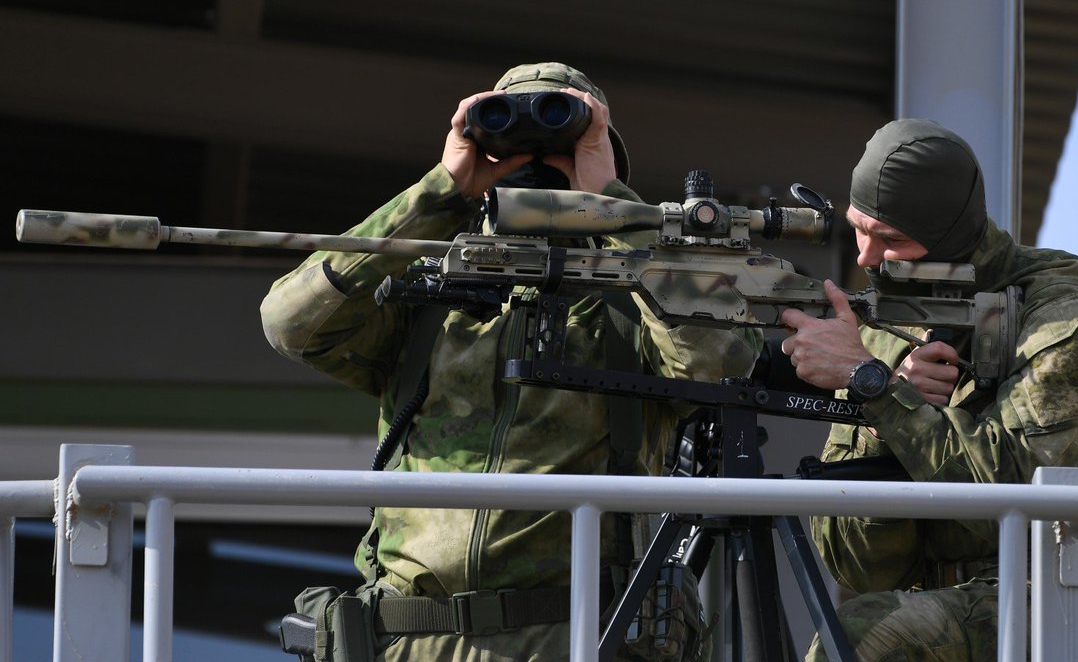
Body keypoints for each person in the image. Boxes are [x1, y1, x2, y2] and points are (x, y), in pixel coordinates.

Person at [261, 62, 761, 661]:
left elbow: (719, 362)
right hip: (409, 638)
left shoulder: (636, 304)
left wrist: (612, 205)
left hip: (574, 636)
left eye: (563, 148)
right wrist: (441, 192)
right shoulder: (430, 298)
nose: (537, 167)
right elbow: (291, 322)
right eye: (514, 145)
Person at [778, 118, 1078, 661]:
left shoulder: (1065, 312)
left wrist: (879, 393)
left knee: (860, 637)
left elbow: (1013, 491)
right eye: (859, 228)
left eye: (892, 240)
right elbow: (859, 567)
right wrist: (887, 413)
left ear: (950, 236)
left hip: (1050, 601)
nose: (865, 257)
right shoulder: (882, 331)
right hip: (929, 606)